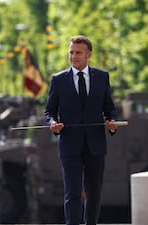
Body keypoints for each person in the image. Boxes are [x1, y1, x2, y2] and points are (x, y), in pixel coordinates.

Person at [44, 35, 118, 225]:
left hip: (96, 144)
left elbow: (109, 108)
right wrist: (53, 123)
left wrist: (111, 121)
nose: (74, 56)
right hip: (70, 144)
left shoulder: (102, 77)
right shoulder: (58, 80)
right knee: (73, 192)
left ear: (89, 55)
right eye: (71, 52)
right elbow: (49, 111)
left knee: (94, 192)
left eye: (78, 53)